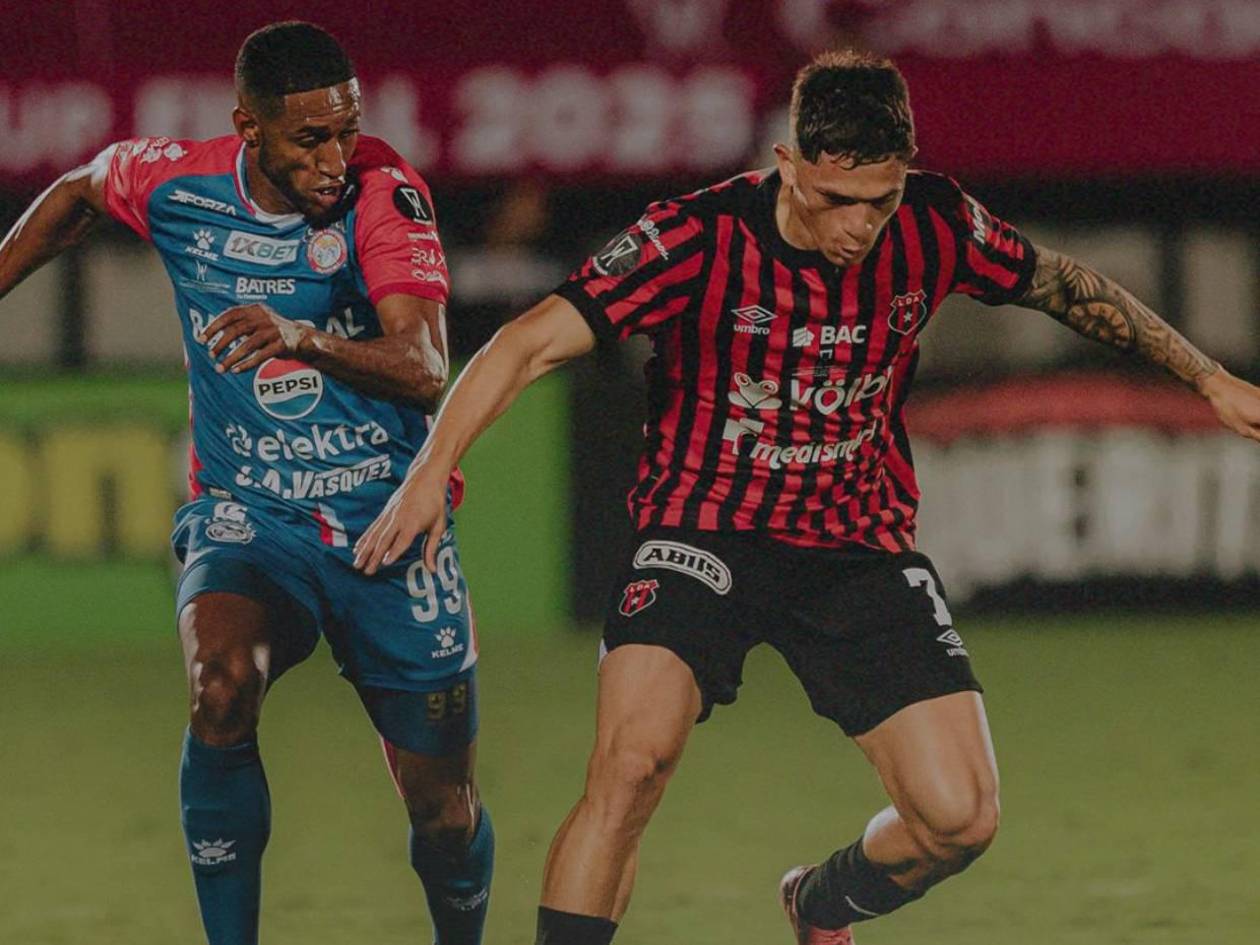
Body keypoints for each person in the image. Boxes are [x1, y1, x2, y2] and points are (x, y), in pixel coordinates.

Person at [353, 50, 1260, 945]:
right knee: (632, 765)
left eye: (882, 199)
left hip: (854, 541)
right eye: (838, 200)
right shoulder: (695, 236)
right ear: (788, 164)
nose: (861, 225)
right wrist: (432, 470)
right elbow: (524, 344)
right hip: (699, 530)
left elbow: (1064, 284)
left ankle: (820, 904)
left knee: (962, 818)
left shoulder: (937, 222)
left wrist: (1209, 379)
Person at [0, 21, 493, 945]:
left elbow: (427, 366)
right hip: (251, 516)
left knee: (446, 809)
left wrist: (303, 335)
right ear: (249, 128)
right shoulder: (179, 182)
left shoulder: (385, 194)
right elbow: (79, 192)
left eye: (347, 129)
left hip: (386, 526)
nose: (337, 156)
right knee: (219, 684)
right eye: (312, 138)